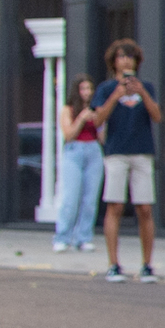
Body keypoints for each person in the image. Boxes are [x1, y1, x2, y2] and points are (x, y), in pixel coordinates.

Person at [92, 40, 163, 282]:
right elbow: (98, 119)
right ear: (114, 62)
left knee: (144, 208)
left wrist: (141, 92)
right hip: (116, 152)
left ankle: (147, 265)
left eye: (130, 57)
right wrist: (116, 95)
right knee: (115, 206)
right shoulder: (105, 88)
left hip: (142, 151)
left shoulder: (148, 87)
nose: (126, 61)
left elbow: (157, 115)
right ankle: (113, 264)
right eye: (121, 57)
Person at [53, 75, 103, 252]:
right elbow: (68, 134)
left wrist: (99, 121)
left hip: (94, 151)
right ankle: (62, 237)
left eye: (89, 89)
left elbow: (103, 138)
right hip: (74, 151)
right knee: (71, 197)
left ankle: (84, 237)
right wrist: (82, 118)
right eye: (83, 89)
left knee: (90, 199)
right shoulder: (68, 109)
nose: (87, 93)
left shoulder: (96, 109)